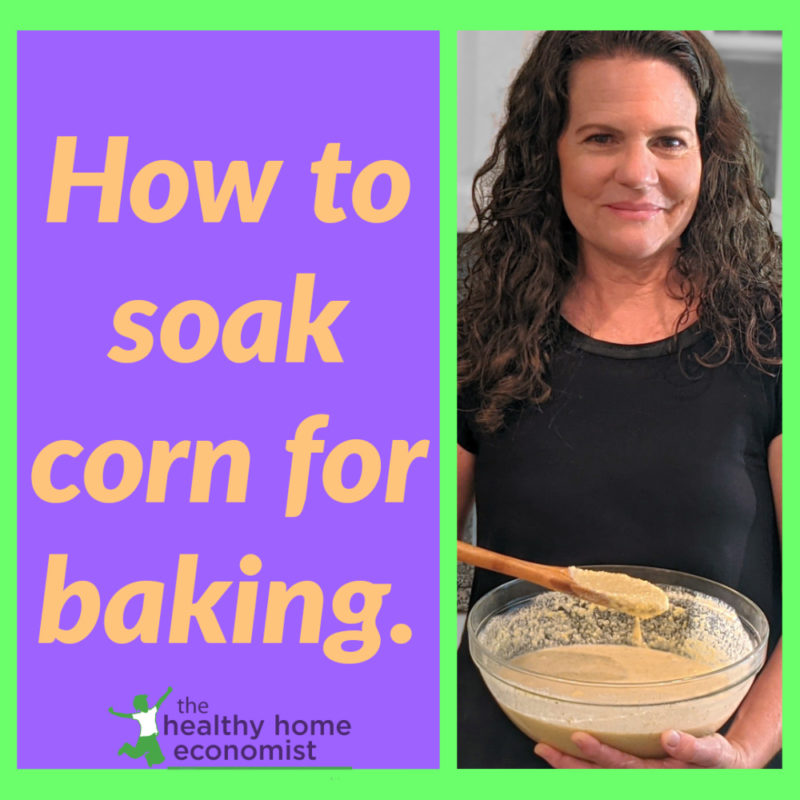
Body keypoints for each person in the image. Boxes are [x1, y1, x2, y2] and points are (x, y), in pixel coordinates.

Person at [457, 31, 781, 769]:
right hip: (501, 752)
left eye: (668, 141)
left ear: (706, 156)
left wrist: (738, 755)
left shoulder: (771, 340)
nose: (639, 173)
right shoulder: (481, 333)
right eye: (602, 137)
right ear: (553, 154)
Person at [109, 686, 173, 767]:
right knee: (135, 755)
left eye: (146, 703)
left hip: (152, 738)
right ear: (139, 707)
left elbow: (160, 701)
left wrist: (168, 692)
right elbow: (125, 715)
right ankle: (126, 747)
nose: (146, 704)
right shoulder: (138, 715)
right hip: (144, 739)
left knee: (160, 759)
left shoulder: (152, 711)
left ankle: (149, 757)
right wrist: (114, 712)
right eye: (143, 704)